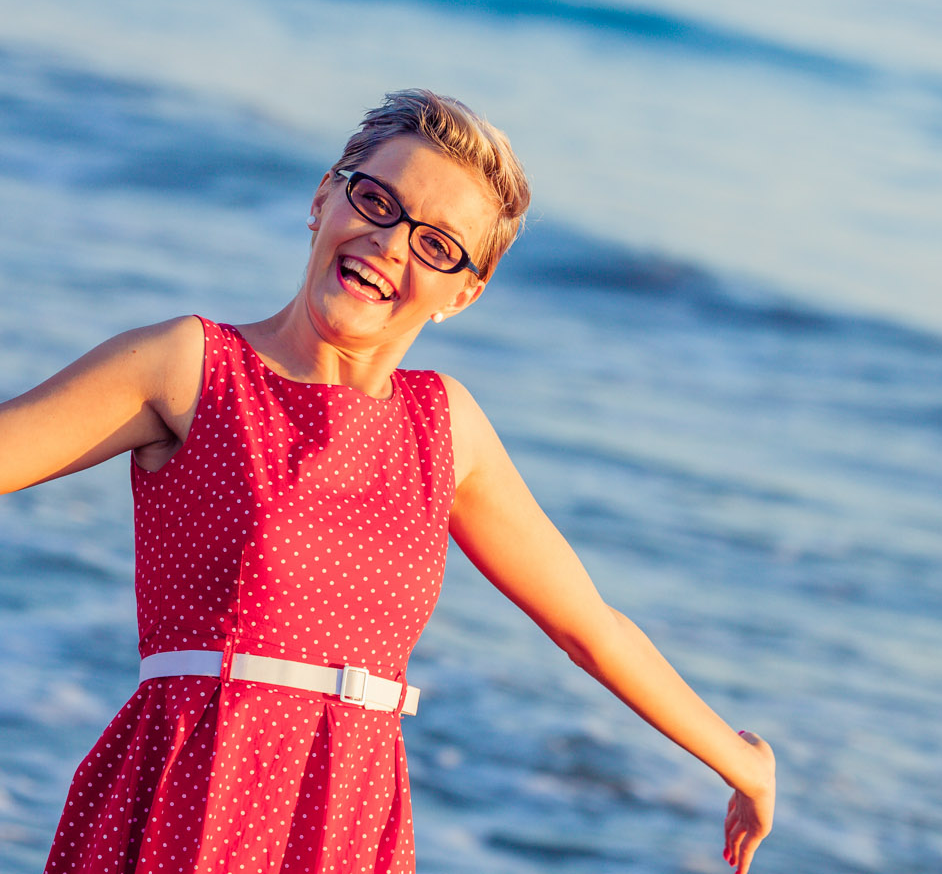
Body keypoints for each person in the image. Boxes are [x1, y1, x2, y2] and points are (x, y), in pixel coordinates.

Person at [0, 88, 775, 874]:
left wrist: (742, 763)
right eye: (376, 200)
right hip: (192, 798)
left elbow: (591, 629)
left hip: (348, 821)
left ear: (466, 291)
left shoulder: (446, 427)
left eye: (437, 244)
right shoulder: (191, 368)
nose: (390, 244)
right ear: (322, 196)